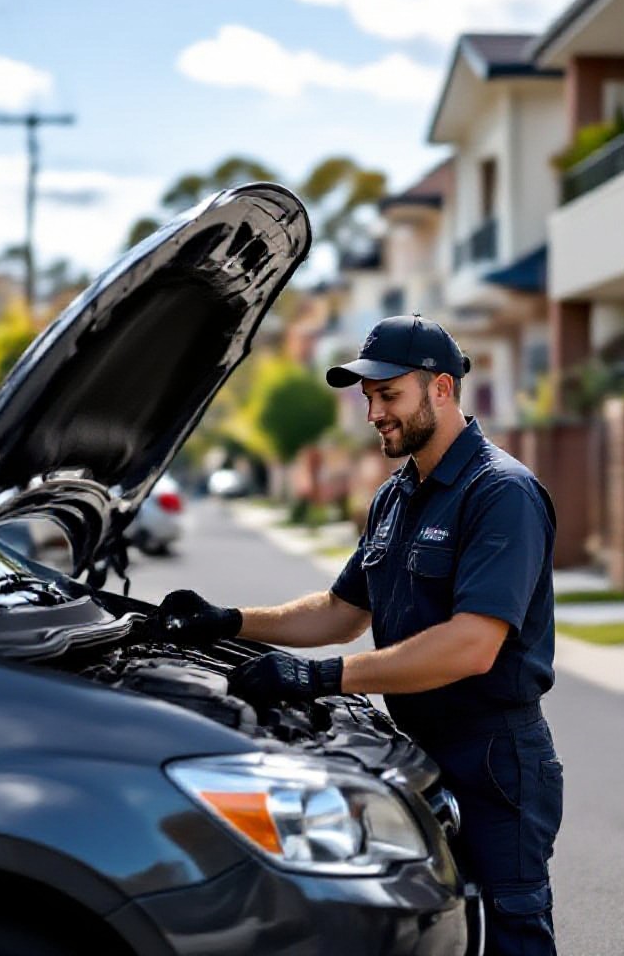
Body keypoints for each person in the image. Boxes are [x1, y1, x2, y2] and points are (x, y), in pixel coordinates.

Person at [155, 314, 563, 956]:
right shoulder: (398, 495)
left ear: (441, 390)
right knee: (435, 932)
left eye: (388, 394)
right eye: (368, 398)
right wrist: (229, 620)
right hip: (413, 751)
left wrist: (322, 676)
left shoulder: (500, 493)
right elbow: (342, 611)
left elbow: (471, 643)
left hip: (493, 758)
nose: (373, 412)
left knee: (509, 935)